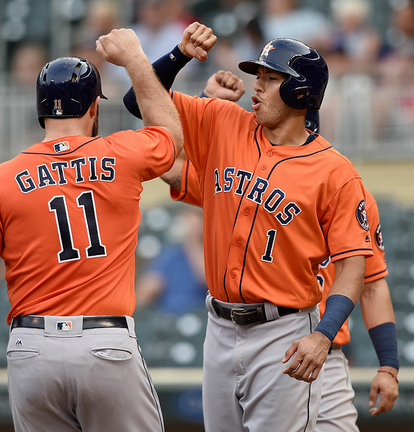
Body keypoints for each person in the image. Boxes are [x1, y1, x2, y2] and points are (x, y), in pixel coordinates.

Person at [0, 28, 184, 432]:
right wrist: (135, 59)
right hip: (104, 343)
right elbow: (171, 135)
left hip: (31, 350)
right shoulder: (122, 153)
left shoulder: (3, 179)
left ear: (41, 111)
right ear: (93, 108)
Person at [123, 23, 371, 432]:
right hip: (219, 325)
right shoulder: (224, 121)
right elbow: (139, 100)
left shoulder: (335, 172)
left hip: (284, 330)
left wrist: (324, 335)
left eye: (271, 78)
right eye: (259, 76)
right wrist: (179, 56)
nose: (257, 86)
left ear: (301, 91)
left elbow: (352, 266)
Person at [165, 70, 401, 429]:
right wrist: (208, 107)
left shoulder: (345, 188)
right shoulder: (244, 176)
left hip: (322, 345)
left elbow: (371, 284)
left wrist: (388, 364)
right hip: (247, 335)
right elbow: (175, 165)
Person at [134, 206, 207, 315]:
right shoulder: (171, 253)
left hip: (199, 314)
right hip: (169, 315)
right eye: (187, 218)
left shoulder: (211, 253)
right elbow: (145, 291)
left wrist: (193, 242)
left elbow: (206, 280)